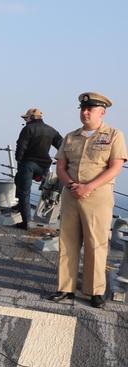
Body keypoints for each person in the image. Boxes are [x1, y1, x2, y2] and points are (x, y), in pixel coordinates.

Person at [48, 92, 127, 308]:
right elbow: (61, 167)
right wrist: (72, 185)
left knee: (96, 244)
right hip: (71, 193)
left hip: (97, 195)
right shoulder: (71, 137)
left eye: (90, 109)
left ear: (102, 112)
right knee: (68, 242)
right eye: (83, 109)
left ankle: (95, 291)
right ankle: (65, 289)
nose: (85, 112)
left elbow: (115, 167)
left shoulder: (114, 135)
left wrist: (88, 187)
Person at [13, 108, 63, 230]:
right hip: (45, 166)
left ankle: (27, 222)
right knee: (47, 192)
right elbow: (61, 144)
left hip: (28, 164)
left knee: (25, 192)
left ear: (33, 117)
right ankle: (45, 217)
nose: (25, 120)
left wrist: (18, 159)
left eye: (26, 117)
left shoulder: (28, 129)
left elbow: (21, 145)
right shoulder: (51, 130)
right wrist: (61, 159)